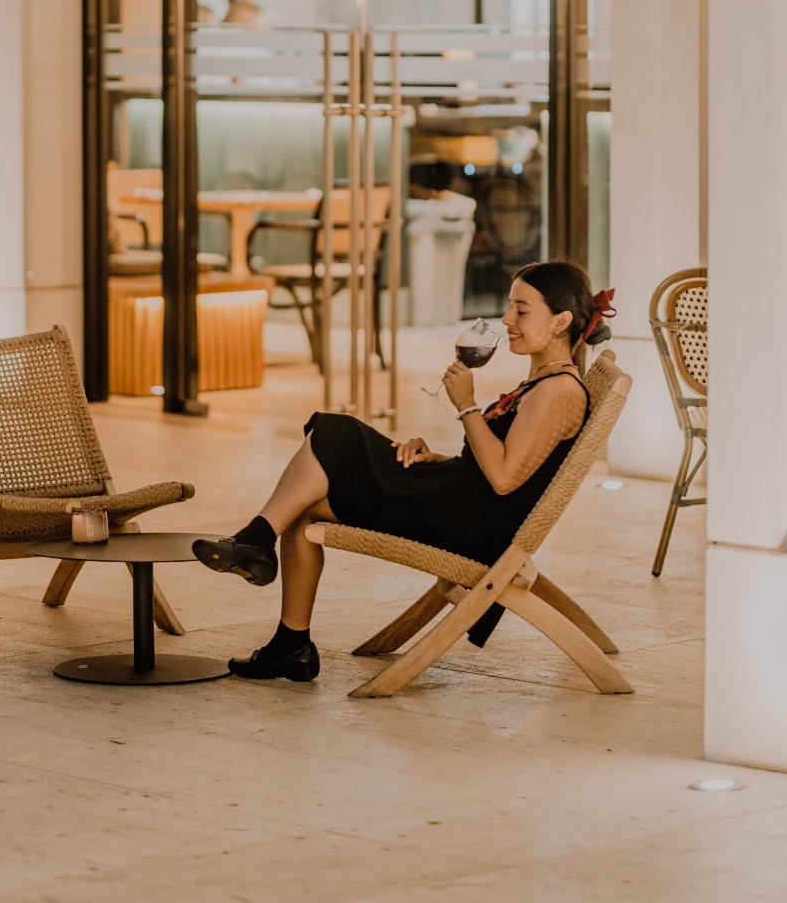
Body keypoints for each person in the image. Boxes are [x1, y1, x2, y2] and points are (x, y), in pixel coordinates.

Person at [192, 260, 615, 682]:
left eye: (521, 310)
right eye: (510, 307)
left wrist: (466, 405)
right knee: (304, 503)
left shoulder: (558, 390)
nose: (507, 320)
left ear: (561, 321)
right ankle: (290, 642)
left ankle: (256, 542)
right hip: (460, 499)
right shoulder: (544, 382)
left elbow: (505, 481)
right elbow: (512, 468)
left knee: (337, 434)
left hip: (467, 523)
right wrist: (441, 460)